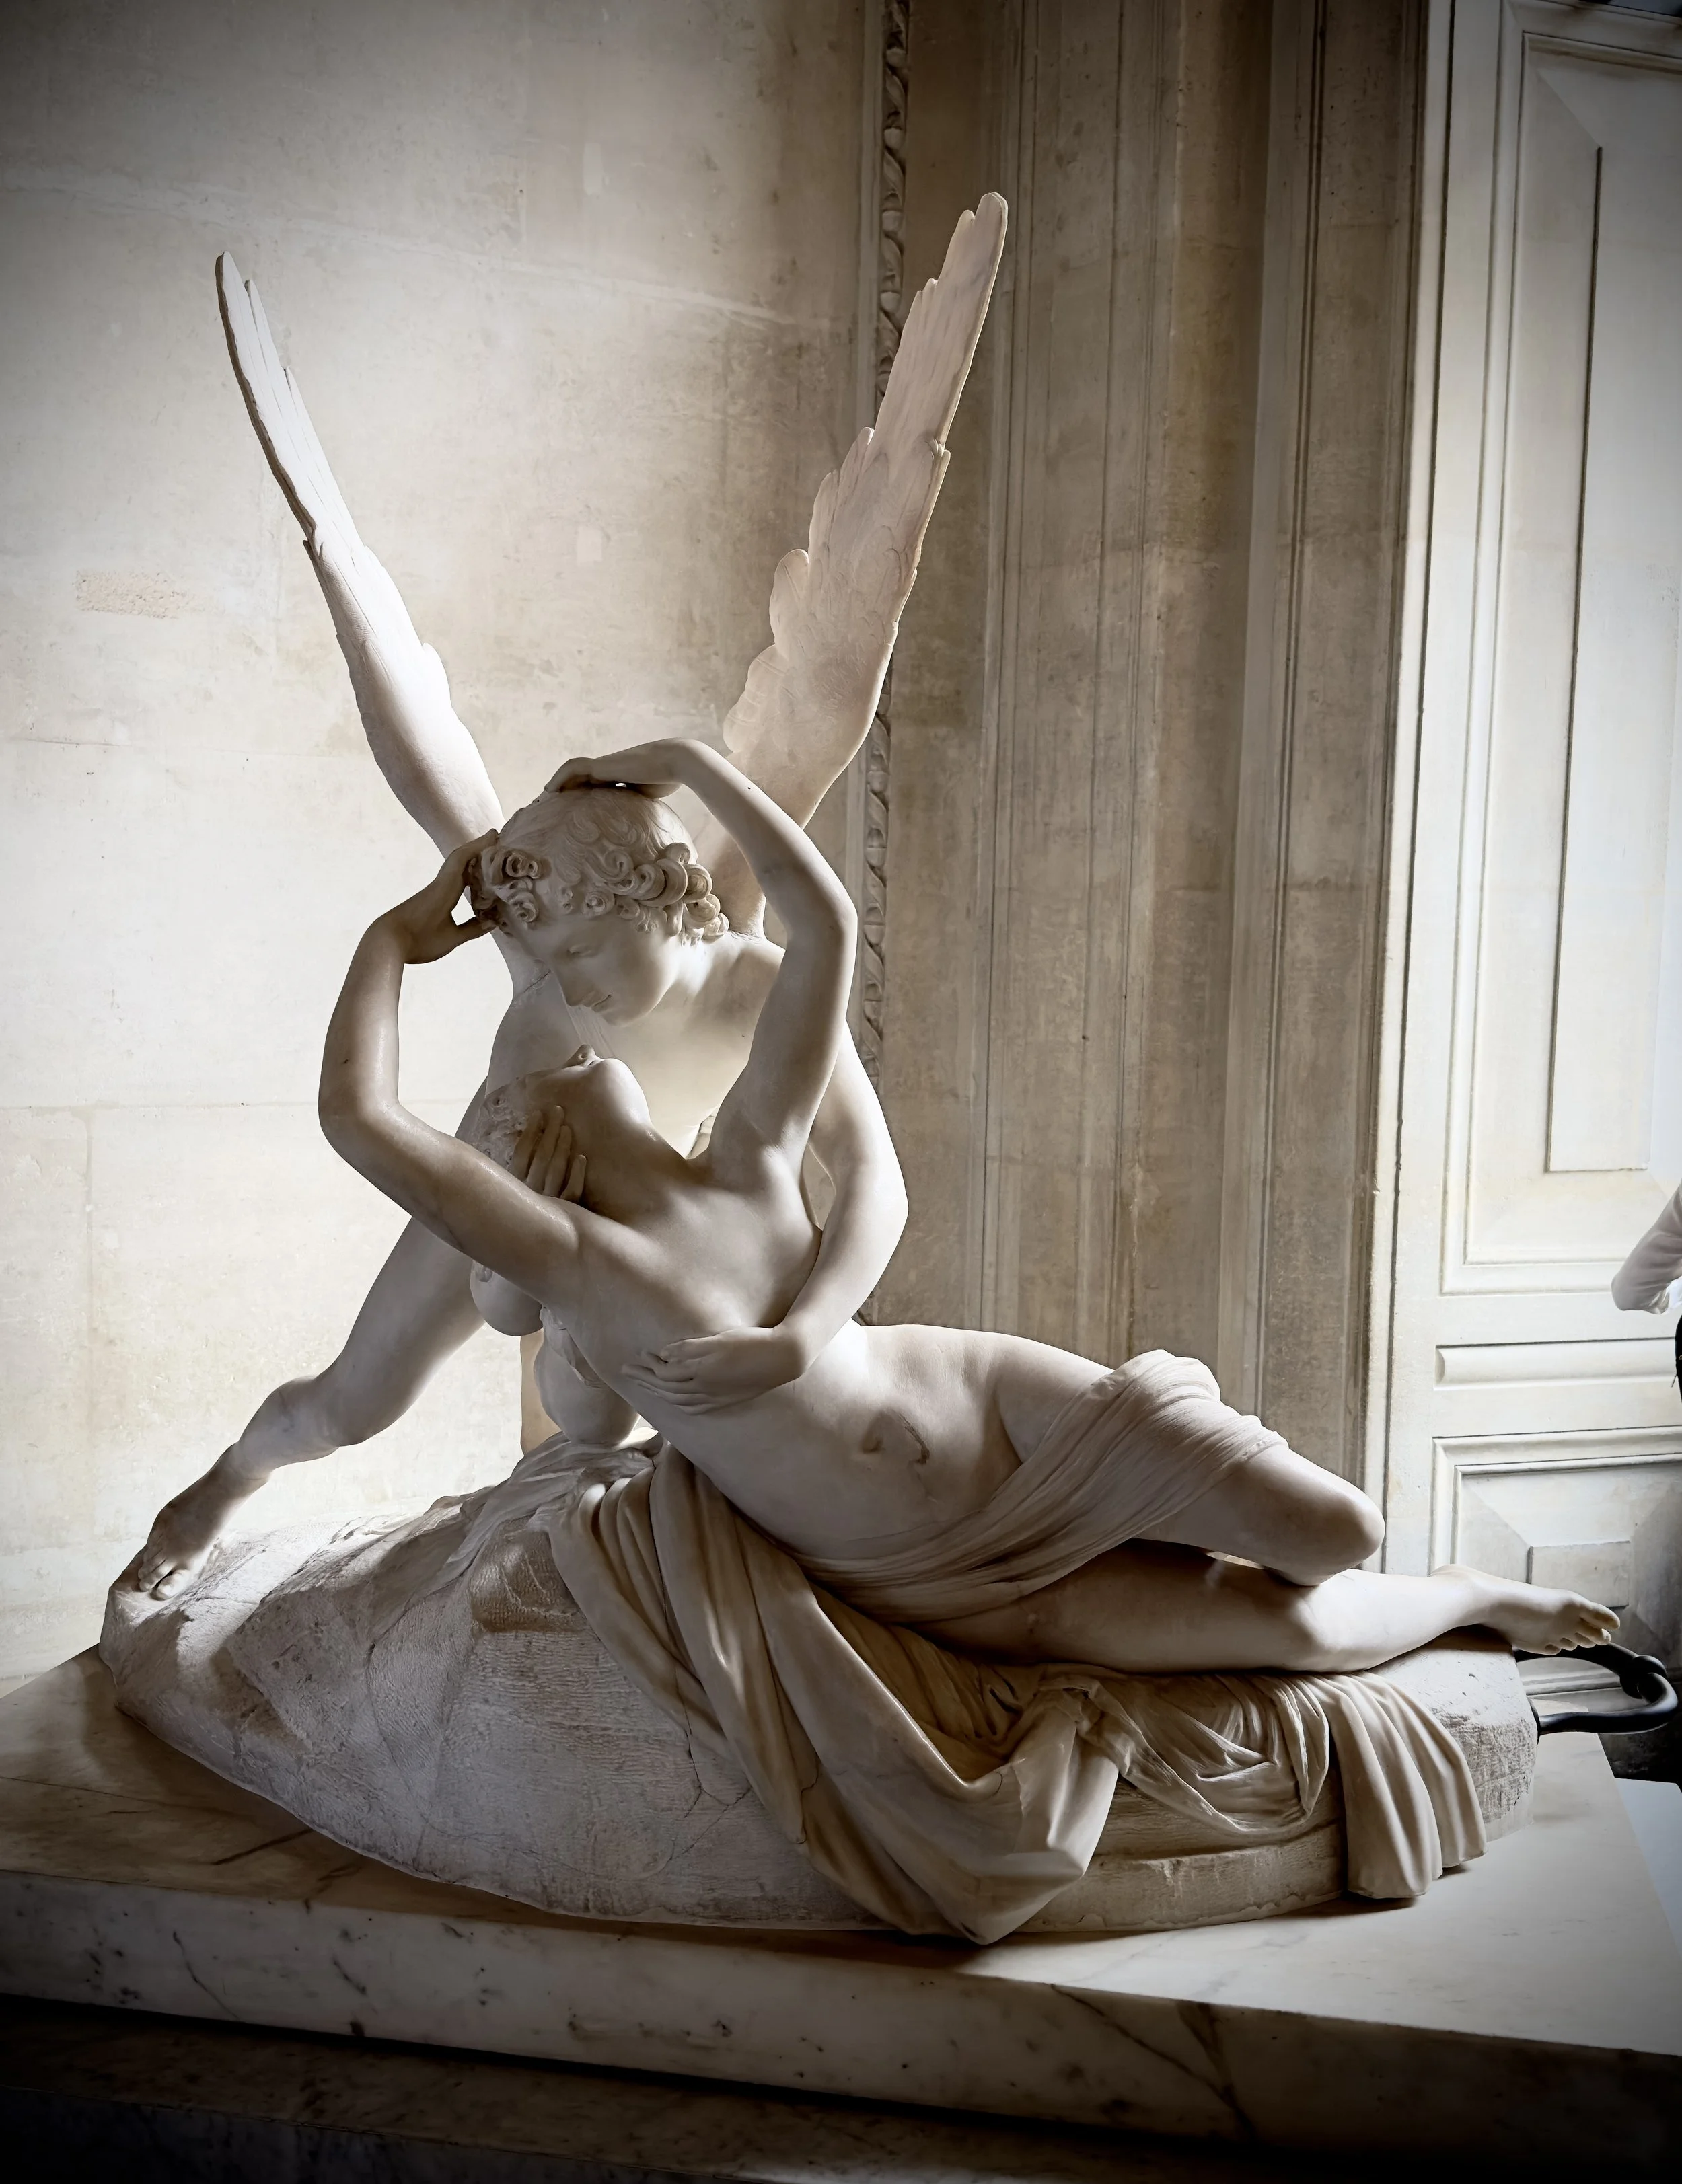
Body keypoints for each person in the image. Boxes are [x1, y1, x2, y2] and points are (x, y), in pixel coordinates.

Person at [305, 735, 1619, 1676]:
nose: (571, 1028)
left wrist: (692, 766)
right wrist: (381, 944)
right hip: (923, 1568)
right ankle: (1460, 1603)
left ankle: (1410, 1574)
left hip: (994, 1410)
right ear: (537, 1164)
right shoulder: (577, 1265)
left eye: (579, 990)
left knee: (1336, 1533)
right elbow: (361, 1122)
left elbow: (820, 925)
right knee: (1282, 1632)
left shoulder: (749, 1152)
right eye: (526, 1097)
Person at [135, 198, 1009, 1597]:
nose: (560, 989)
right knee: (351, 1402)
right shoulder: (546, 1008)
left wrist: (811, 1333)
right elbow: (510, 1279)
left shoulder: (757, 986)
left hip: (690, 1248)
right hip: (522, 1205)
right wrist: (513, 1270)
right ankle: (226, 1484)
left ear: (665, 898)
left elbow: (877, 1189)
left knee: (678, 1433)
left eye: (582, 951)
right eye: (538, 954)